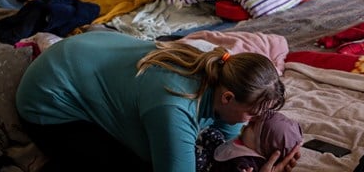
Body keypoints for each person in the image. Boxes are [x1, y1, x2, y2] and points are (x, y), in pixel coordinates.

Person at [16, 31, 298, 172]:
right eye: (251, 114)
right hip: (48, 99)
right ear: (227, 97)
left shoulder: (221, 71)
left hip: (81, 52)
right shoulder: (173, 106)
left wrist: (257, 156)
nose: (252, 121)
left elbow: (225, 145)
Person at [210, 111, 302, 172]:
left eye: (253, 125)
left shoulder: (245, 164)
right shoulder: (246, 143)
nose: (250, 121)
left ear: (261, 145)